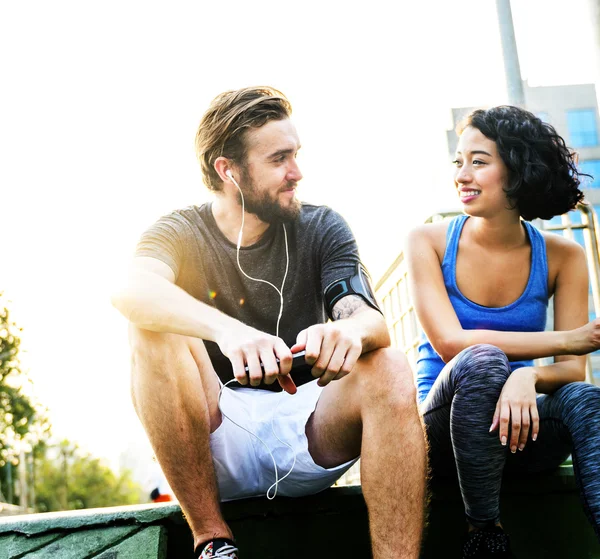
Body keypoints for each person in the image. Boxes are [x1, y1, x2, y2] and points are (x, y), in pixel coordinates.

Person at [112, 86, 426, 559]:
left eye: (296, 155)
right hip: (214, 437)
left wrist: (347, 331)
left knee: (390, 365)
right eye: (279, 159)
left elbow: (369, 320)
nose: (296, 173)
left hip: (310, 429)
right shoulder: (178, 231)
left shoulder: (323, 226)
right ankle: (214, 543)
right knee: (150, 327)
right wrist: (227, 331)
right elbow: (129, 291)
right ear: (228, 170)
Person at [406, 105, 600, 558]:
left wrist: (528, 375)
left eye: (479, 161)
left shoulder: (564, 257)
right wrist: (563, 341)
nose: (462, 174)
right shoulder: (427, 241)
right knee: (482, 360)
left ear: (517, 170)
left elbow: (571, 372)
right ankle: (484, 534)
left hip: (518, 429)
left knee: (586, 400)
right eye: (459, 161)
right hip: (443, 436)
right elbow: (451, 344)